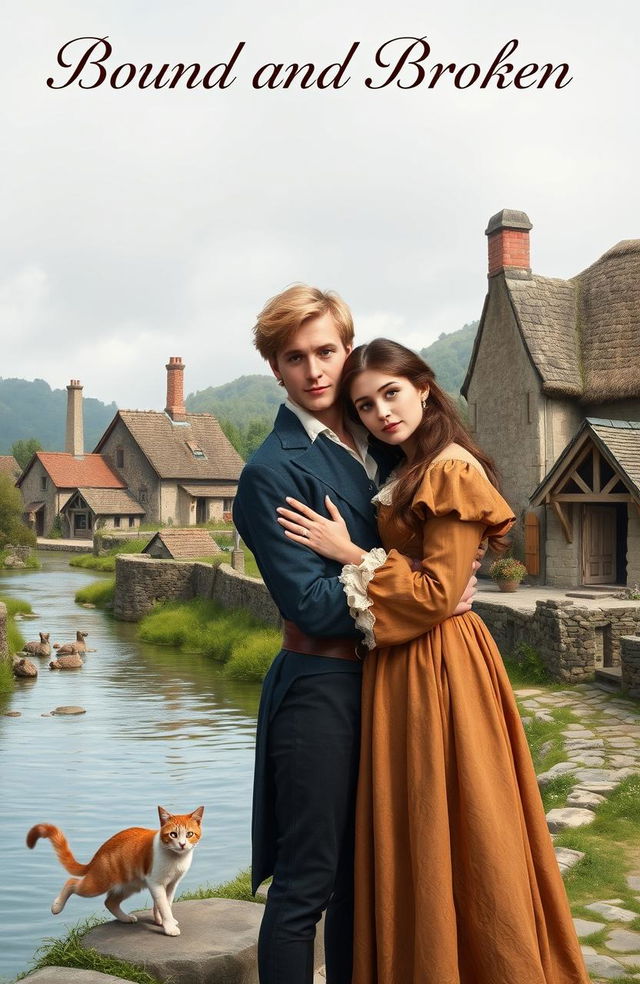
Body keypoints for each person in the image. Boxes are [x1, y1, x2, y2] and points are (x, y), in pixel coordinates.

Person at [277, 338, 590, 984]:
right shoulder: (411, 466)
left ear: (423, 386)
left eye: (392, 393)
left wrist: (347, 553)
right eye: (364, 405)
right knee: (418, 829)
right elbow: (431, 586)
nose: (382, 413)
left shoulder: (449, 469)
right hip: (407, 665)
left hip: (442, 668)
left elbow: (437, 594)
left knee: (460, 823)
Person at [233, 289, 477, 984]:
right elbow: (310, 604)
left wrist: (450, 572)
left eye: (326, 352)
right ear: (275, 370)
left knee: (363, 877)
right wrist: (424, 597)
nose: (314, 370)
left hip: (391, 682)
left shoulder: (383, 438)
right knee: (308, 883)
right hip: (320, 687)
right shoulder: (270, 471)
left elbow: (442, 537)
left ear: (348, 349)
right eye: (294, 358)